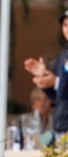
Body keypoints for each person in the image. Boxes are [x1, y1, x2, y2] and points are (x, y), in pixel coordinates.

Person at [24, 10, 68, 142]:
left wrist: (55, 82)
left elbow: (60, 86)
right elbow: (58, 96)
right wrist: (44, 77)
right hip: (61, 128)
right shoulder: (63, 55)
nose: (67, 29)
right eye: (65, 25)